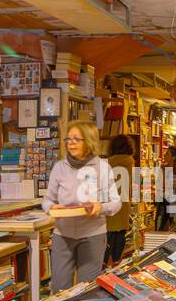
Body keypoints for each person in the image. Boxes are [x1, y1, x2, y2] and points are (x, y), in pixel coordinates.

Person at [44, 120, 122, 290]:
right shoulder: (59, 167)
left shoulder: (103, 167)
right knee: (59, 290)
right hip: (62, 236)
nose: (71, 143)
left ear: (89, 141)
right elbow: (47, 200)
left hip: (92, 235)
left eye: (76, 139)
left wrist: (100, 207)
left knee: (86, 290)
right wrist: (51, 208)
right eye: (68, 139)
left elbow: (116, 203)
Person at [105, 133, 135, 267]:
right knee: (119, 240)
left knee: (107, 243)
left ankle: (104, 267)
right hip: (123, 207)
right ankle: (115, 267)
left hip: (109, 207)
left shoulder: (107, 163)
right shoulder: (130, 161)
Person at [156, 144, 176, 231]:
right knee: (159, 228)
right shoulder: (163, 168)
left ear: (173, 157)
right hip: (163, 203)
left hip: (175, 203)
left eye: (167, 154)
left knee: (175, 229)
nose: (164, 155)